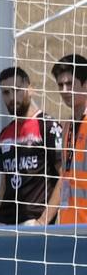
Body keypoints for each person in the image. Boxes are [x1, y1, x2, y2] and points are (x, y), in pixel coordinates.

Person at [0, 66, 65, 226]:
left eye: (17, 90)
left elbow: (64, 178)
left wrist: (43, 221)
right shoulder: (4, 134)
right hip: (4, 223)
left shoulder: (48, 127)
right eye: (6, 92)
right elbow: (4, 184)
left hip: (32, 222)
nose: (12, 97)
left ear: (30, 89)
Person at [41, 56, 87, 225]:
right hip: (69, 225)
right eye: (61, 85)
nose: (65, 90)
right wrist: (43, 220)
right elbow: (64, 178)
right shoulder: (67, 126)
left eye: (70, 84)